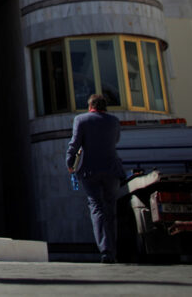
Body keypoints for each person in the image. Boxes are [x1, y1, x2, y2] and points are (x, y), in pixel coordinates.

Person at [66, 93, 126, 263]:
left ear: (90, 106)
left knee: (96, 207)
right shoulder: (114, 121)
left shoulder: (81, 120)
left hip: (89, 171)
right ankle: (113, 252)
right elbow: (116, 140)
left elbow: (75, 143)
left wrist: (70, 163)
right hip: (112, 170)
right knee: (110, 210)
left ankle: (105, 250)